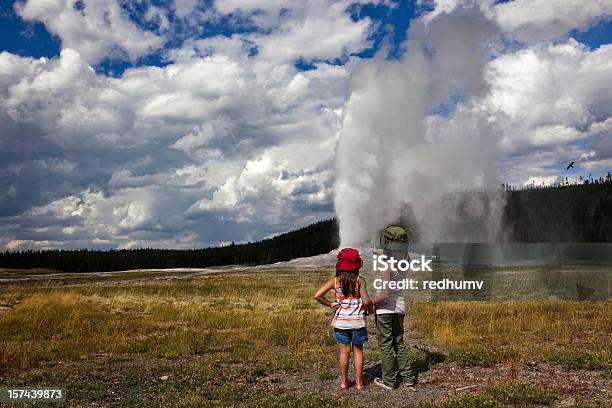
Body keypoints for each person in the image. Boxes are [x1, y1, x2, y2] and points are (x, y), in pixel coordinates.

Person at [314, 248, 373, 391]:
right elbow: (366, 302)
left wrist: (330, 304)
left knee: (344, 352)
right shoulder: (360, 281)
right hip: (357, 322)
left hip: (341, 322)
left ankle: (344, 382)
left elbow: (318, 295)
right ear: (357, 266)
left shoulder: (335, 281)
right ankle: (359, 383)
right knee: (358, 351)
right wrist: (370, 310)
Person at [371, 225, 417, 390]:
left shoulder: (386, 265)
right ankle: (409, 377)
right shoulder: (407, 258)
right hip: (400, 307)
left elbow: (385, 294)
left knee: (385, 344)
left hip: (385, 309)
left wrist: (369, 303)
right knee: (399, 342)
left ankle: (389, 380)